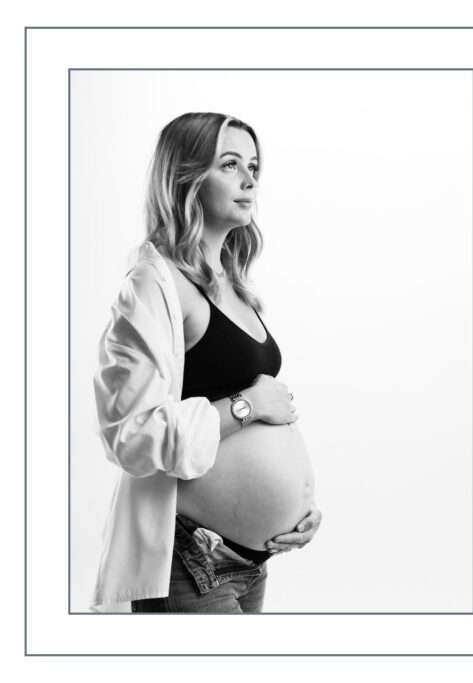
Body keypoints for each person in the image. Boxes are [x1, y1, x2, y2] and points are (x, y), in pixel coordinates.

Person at [93, 113, 322, 613]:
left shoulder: (236, 284)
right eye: (230, 164)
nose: (249, 180)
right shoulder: (153, 283)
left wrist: (299, 507)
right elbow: (129, 434)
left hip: (249, 564)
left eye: (254, 166)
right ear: (187, 177)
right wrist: (246, 406)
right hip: (191, 562)